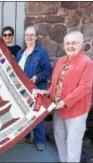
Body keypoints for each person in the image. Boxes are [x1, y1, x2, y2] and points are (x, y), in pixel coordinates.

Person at [44, 31, 93, 162]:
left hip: (76, 111)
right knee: (60, 138)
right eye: (67, 43)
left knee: (73, 144)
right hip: (58, 108)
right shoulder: (61, 61)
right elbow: (56, 82)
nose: (70, 46)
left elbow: (85, 87)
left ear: (81, 44)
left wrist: (66, 101)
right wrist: (48, 92)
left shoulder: (87, 63)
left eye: (74, 43)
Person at [15, 26, 52, 151]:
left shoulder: (41, 52)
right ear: (24, 37)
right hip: (24, 90)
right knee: (25, 113)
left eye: (32, 35)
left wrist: (37, 76)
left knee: (37, 115)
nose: (29, 37)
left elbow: (48, 70)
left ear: (36, 37)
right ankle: (25, 136)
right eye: (27, 35)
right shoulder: (20, 53)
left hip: (37, 89)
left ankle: (40, 140)